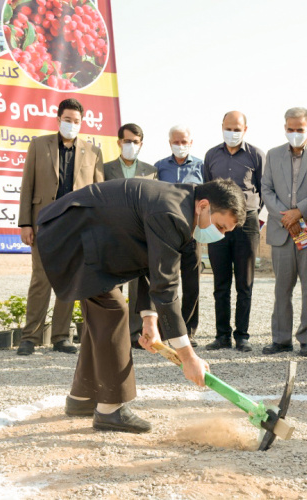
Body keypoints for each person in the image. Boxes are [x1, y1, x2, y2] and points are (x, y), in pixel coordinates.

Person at [35, 178, 245, 433]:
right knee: (113, 311)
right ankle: (110, 409)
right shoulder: (172, 213)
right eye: (221, 227)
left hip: (81, 235)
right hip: (69, 235)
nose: (220, 235)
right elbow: (165, 288)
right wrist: (188, 357)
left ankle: (82, 398)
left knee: (103, 316)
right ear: (204, 205)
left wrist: (149, 321)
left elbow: (150, 264)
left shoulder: (181, 206)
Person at [17, 98, 103, 356]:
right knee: (40, 281)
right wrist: (25, 223)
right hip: (43, 224)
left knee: (69, 281)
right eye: (68, 120)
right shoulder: (38, 145)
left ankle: (61, 337)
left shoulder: (93, 152)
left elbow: (96, 194)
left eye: (76, 121)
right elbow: (27, 185)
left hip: (75, 228)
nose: (72, 125)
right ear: (58, 119)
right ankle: (30, 337)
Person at [261, 107, 307, 357]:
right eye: (290, 129)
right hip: (282, 230)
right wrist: (286, 216)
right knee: (282, 288)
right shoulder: (273, 154)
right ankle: (280, 339)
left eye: (299, 129)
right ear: (284, 128)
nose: (294, 133)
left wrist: (299, 212)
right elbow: (266, 190)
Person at [203, 111, 266, 352]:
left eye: (237, 128)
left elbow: (263, 188)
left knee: (244, 282)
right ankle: (222, 336)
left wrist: (255, 217)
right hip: (217, 223)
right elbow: (207, 186)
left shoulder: (256, 155)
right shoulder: (211, 155)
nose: (232, 132)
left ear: (245, 129)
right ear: (221, 127)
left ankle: (242, 336)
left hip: (246, 223)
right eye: (228, 128)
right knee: (220, 282)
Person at [103, 123, 157, 348]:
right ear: (118, 143)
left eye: (135, 142)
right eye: (127, 141)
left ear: (141, 144)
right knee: (113, 286)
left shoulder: (151, 170)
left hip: (139, 236)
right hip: (113, 234)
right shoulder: (105, 169)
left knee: (138, 286)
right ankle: (111, 334)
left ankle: (136, 334)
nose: (131, 146)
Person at [154, 125, 203, 347]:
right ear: (169, 142)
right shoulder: (159, 168)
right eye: (176, 142)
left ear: (191, 143)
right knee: (168, 282)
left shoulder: (203, 166)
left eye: (184, 142)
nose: (180, 146)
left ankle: (188, 331)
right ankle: (168, 330)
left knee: (192, 283)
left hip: (193, 232)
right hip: (167, 233)